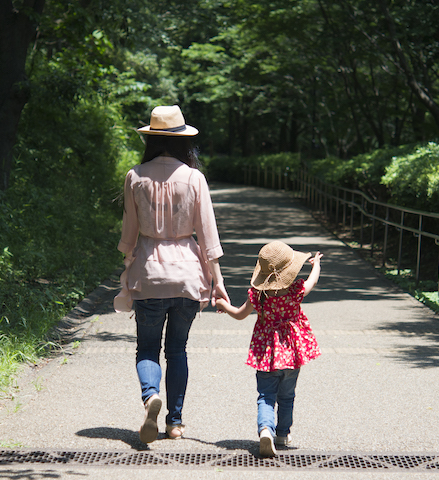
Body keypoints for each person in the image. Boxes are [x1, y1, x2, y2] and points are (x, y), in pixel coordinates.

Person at [114, 105, 229, 443]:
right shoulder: (194, 178)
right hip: (187, 277)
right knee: (177, 350)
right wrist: (217, 282)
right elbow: (208, 236)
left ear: (150, 139)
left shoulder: (135, 176)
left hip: (148, 273)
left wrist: (126, 271)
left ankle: (151, 396)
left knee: (147, 349)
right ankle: (175, 423)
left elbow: (129, 236)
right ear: (183, 142)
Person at [215, 241, 323, 457]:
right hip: (292, 354)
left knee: (265, 396)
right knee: (287, 395)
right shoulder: (295, 290)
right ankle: (282, 434)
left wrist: (223, 305)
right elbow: (312, 281)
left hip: (266, 354)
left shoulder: (258, 295)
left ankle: (266, 429)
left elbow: (239, 314)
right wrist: (316, 265)